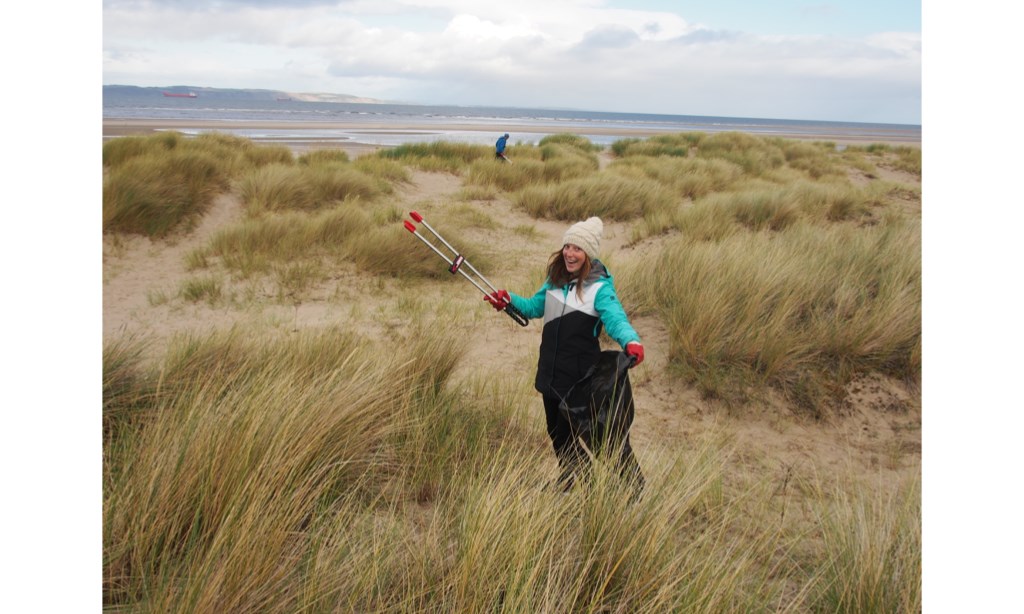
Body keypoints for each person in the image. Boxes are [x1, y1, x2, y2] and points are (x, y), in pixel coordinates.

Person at [484, 217, 645, 491]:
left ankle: (633, 485)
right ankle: (576, 477)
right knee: (558, 433)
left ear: (588, 254)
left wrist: (631, 341)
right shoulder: (555, 280)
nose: (570, 253)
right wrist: (508, 300)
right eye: (567, 246)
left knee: (599, 437)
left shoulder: (599, 288)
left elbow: (616, 318)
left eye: (577, 249)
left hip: (579, 377)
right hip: (551, 373)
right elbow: (534, 307)